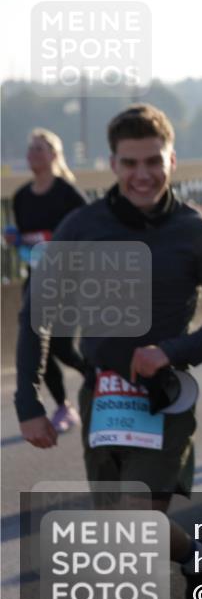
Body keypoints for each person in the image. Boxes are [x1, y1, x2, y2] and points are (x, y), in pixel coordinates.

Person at [15, 104, 202, 599]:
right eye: (130, 163)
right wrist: (28, 401)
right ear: (112, 164)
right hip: (103, 398)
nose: (142, 174)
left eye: (153, 161)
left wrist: (169, 351)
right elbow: (36, 315)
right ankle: (196, 552)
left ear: (173, 160)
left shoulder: (196, 230)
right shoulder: (82, 227)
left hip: (164, 400)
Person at [8, 128, 88, 432]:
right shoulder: (20, 197)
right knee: (39, 345)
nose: (33, 154)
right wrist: (16, 240)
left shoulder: (68, 193)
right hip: (36, 280)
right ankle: (63, 407)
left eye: (39, 149)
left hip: (69, 280)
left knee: (62, 346)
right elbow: (27, 241)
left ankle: (100, 377)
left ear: (54, 155)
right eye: (30, 149)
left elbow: (89, 231)